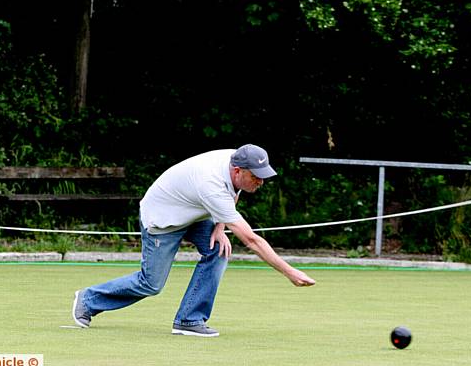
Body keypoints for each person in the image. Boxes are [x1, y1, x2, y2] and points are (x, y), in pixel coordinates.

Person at [72, 144, 316, 337]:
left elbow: (233, 194)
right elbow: (251, 240)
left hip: (193, 211)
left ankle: (189, 319)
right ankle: (88, 299)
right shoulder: (211, 182)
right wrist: (290, 272)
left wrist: (220, 227)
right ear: (238, 171)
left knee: (219, 249)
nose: (261, 182)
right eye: (256, 177)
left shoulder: (238, 161)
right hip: (163, 219)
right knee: (151, 284)